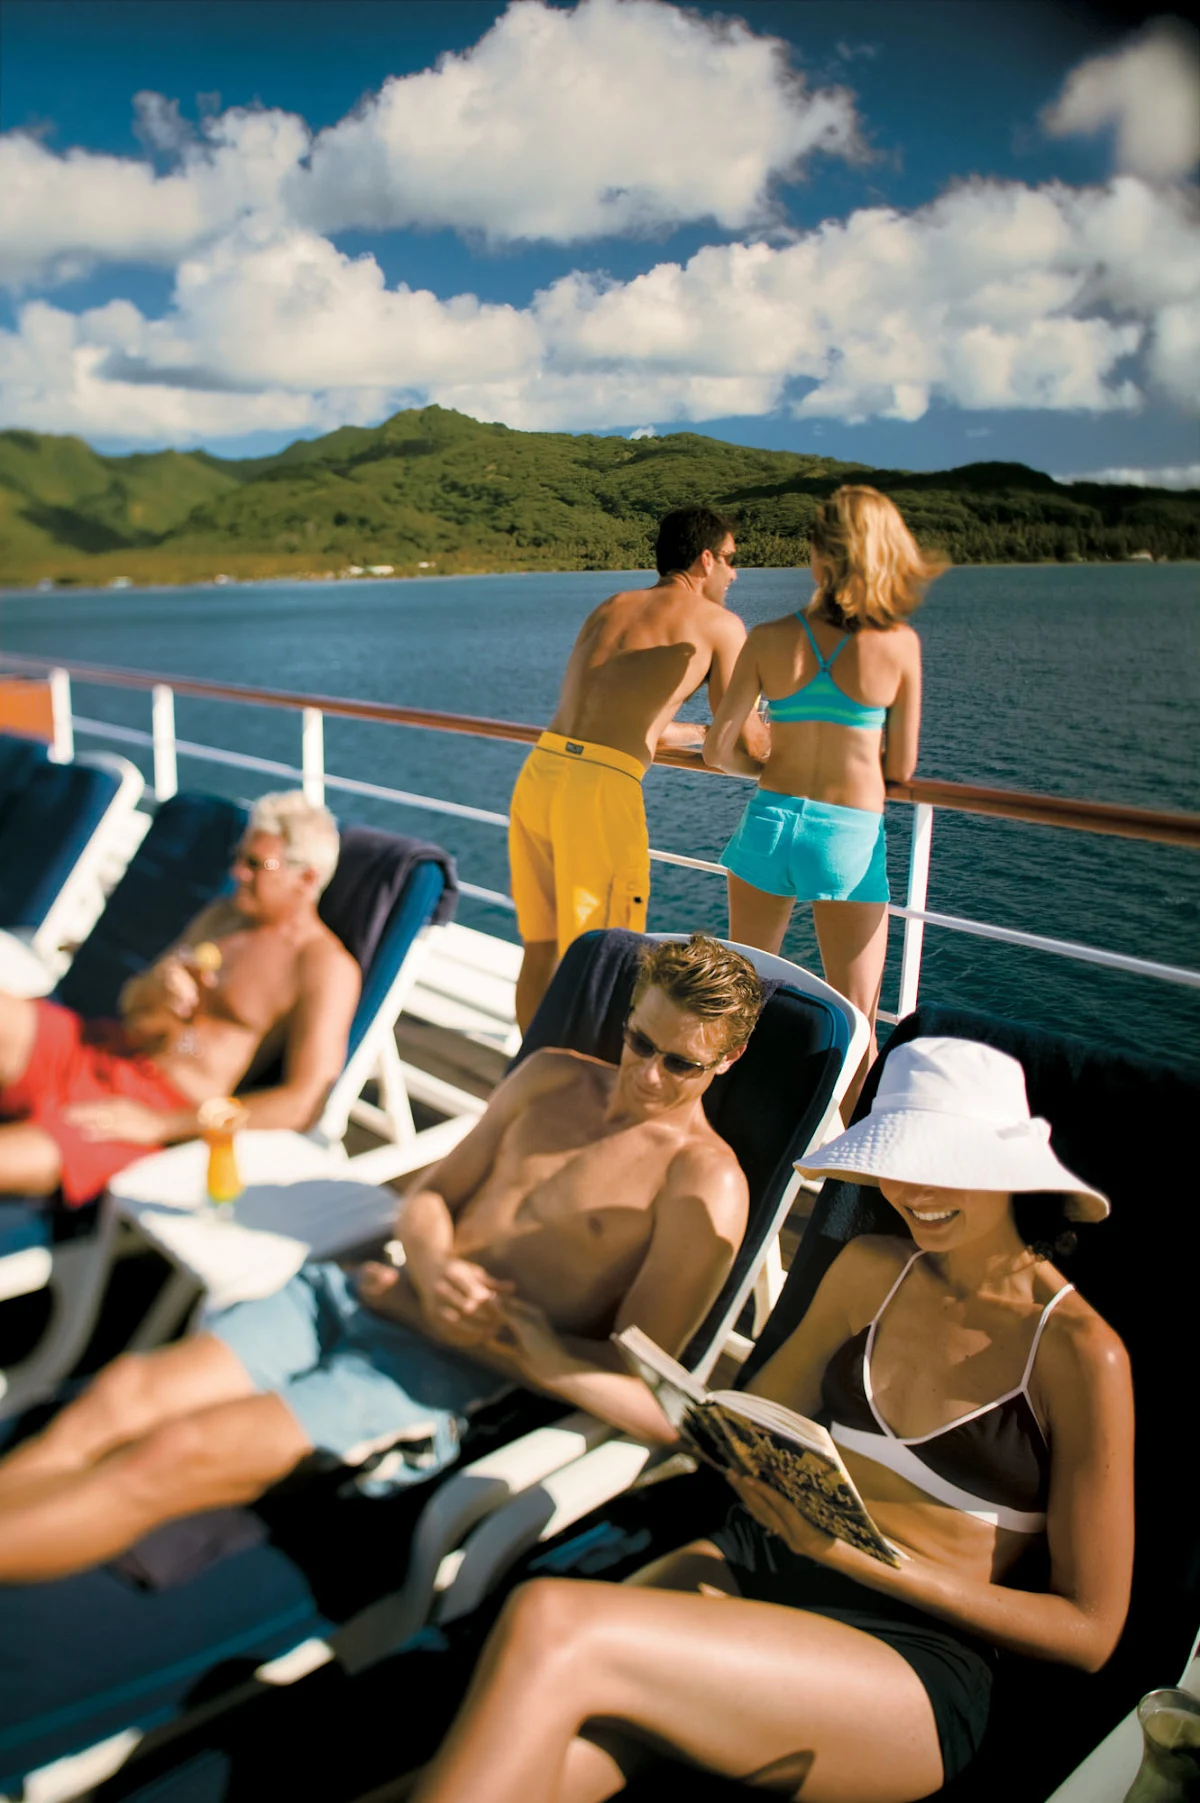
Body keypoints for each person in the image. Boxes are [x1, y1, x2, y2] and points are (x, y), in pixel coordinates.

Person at [407, 1037, 1134, 1803]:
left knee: (550, 1621)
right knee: (523, 1749)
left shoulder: (1079, 1353)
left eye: (943, 1163)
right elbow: (752, 1416)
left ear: (1008, 1170)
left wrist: (862, 1558)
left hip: (914, 1644)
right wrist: (578, 1364)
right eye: (897, 1161)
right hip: (763, 1553)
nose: (913, 1191)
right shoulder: (871, 1270)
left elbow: (1088, 1631)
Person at [0, 935, 762, 1582]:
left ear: (729, 1059)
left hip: (445, 1369)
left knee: (172, 1454)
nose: (648, 1073)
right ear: (629, 1017)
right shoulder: (552, 1075)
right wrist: (428, 1262)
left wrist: (527, 1344)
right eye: (640, 1042)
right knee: (120, 1395)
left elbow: (647, 1393)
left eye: (681, 1063)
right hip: (364, 1293)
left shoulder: (702, 1186)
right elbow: (430, 1199)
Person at [704, 485, 945, 1110]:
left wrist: (765, 760)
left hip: (769, 822)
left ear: (818, 556)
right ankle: (847, 1151)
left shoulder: (768, 638)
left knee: (740, 994)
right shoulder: (898, 644)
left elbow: (718, 750)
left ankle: (722, 1123)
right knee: (857, 1016)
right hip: (847, 837)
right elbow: (902, 767)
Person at [0, 790, 361, 1207]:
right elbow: (132, 1007)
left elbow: (302, 1104)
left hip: (160, 1107)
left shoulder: (323, 967)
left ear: (307, 878)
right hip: (105, 1050)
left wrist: (161, 1125)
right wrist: (155, 990)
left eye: (255, 864)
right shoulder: (222, 917)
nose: (237, 873)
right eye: (238, 857)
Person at [509, 506, 769, 1031]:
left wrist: (694, 732)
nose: (735, 574)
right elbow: (744, 743)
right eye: (730, 559)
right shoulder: (720, 625)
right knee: (609, 956)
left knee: (542, 945)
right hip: (598, 794)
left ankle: (529, 1066)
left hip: (543, 770)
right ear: (705, 559)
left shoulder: (612, 607)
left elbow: (618, 715)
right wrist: (790, 740)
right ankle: (588, 1074)